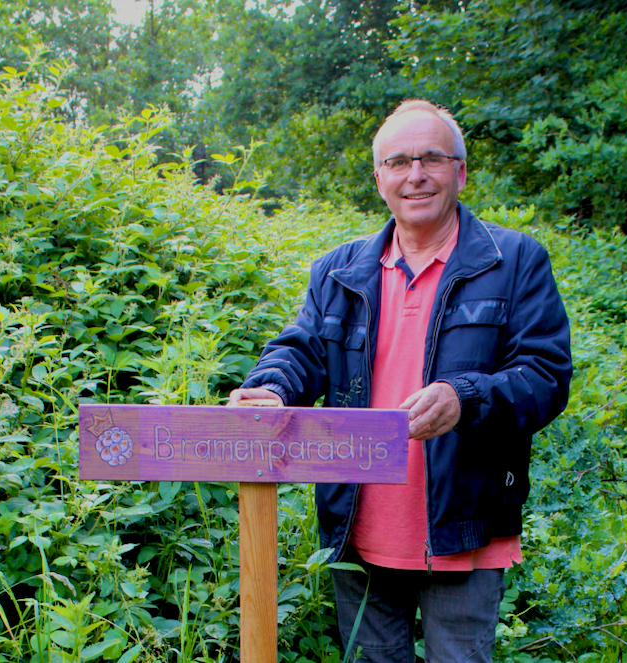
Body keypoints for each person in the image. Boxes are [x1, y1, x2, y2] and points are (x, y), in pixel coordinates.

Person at [228, 99, 572, 663]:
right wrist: (272, 387)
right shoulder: (338, 270)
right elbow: (304, 349)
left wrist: (466, 398)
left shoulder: (515, 261)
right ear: (379, 177)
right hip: (358, 529)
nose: (416, 175)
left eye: (432, 158)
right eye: (398, 161)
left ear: (460, 171)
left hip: (464, 531)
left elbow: (546, 376)